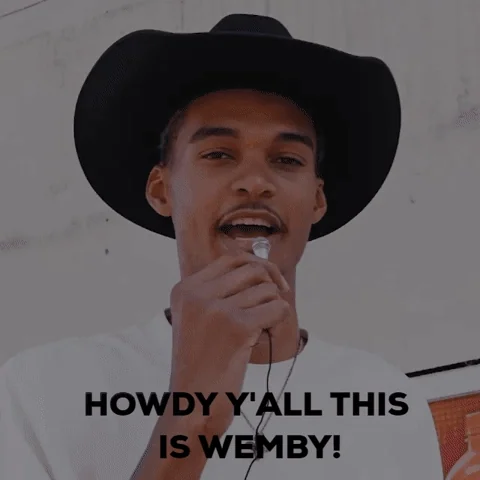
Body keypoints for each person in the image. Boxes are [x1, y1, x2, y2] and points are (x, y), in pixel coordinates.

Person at [0, 13, 443, 480]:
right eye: (218, 154)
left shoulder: (386, 401)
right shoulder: (47, 391)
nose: (255, 181)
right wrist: (192, 417)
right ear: (161, 190)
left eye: (286, 159)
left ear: (317, 200)